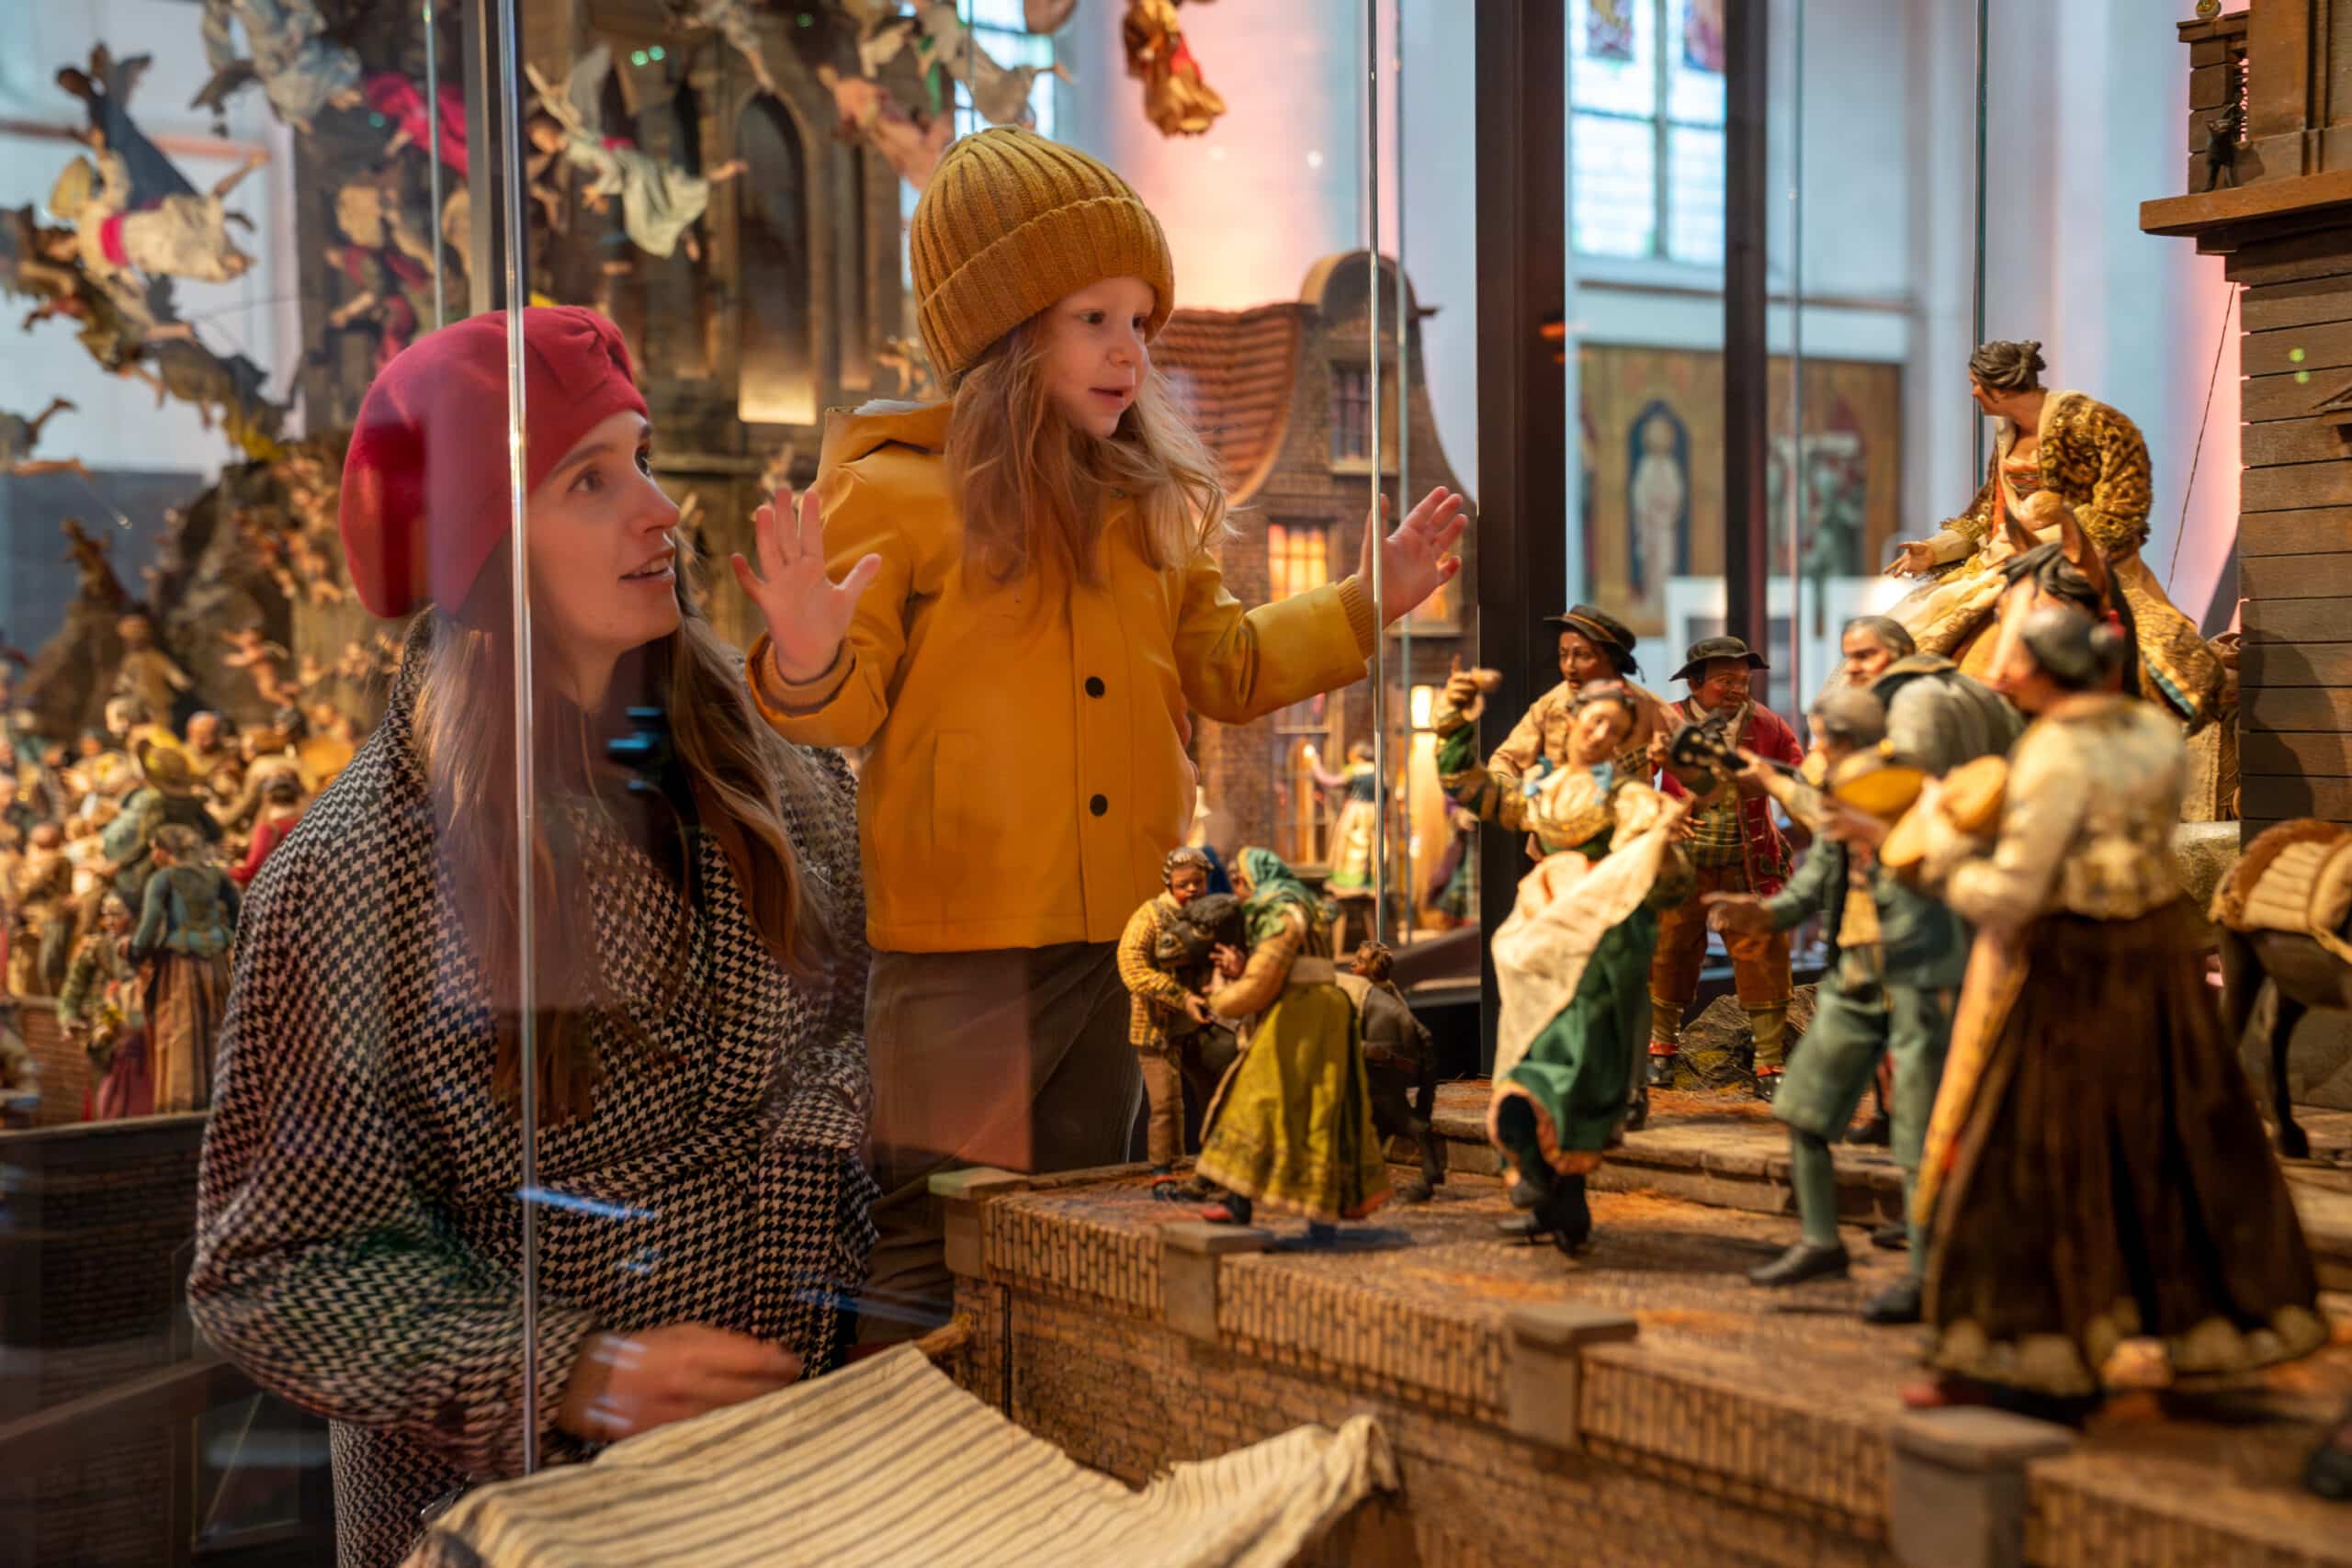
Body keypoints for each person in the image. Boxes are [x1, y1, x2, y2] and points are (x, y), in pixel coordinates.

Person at [734, 128, 1464, 1341]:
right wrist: (807, 647)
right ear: (1004, 330)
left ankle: (1051, 1455)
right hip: (960, 950)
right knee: (937, 1228)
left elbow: (1226, 662)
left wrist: (1364, 601)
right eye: (1094, 319)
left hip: (1122, 934)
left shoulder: (1145, 506)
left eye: (1142, 321)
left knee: (1092, 1215)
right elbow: (841, 704)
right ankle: (893, 1486)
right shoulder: (898, 494)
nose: (1130, 351)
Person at [189, 309, 876, 1568]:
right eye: (590, 479)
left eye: (646, 457)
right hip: (520, 1522)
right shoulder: (359, 874)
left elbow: (852, 1047)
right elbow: (274, 1265)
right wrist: (574, 1370)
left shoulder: (770, 777)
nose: (661, 510)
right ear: (487, 547)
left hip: (778, 1485)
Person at [1905, 607, 2324, 1411]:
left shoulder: (2053, 753)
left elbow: (2016, 894)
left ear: (2044, 671)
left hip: (2079, 967)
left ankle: (2034, 1346)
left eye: (2015, 658)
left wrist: (1942, 855)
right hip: (2160, 956)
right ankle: (2204, 1327)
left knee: (2038, 1146)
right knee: (2179, 1133)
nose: (1998, 671)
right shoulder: (2151, 735)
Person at [1711, 702, 1966, 1323]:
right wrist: (1762, 912)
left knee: (1917, 1129)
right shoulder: (1839, 801)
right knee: (1806, 1106)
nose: (1819, 750)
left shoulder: (1926, 798)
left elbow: (1951, 883)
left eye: (1828, 738)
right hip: (1854, 971)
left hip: (1917, 976)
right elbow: (1814, 882)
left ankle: (1927, 1270)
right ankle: (1821, 1239)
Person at [1434, 671, 1692, 1250]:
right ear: (1571, 721)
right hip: (1541, 943)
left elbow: (1669, 884)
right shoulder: (1541, 794)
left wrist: (1663, 847)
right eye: (1594, 720)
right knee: (1525, 1058)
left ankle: (1559, 1196)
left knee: (1570, 1071)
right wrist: (1454, 720)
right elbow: (1471, 787)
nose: (1600, 734)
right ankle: (1553, 1198)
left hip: (1598, 952)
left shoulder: (1627, 799)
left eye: (1616, 730)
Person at [1882, 340, 2222, 729]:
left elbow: (2123, 508)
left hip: (2084, 561)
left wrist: (2053, 534)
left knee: (2172, 656)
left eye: (1977, 383)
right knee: (1916, 627)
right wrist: (1934, 551)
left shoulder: (2096, 423)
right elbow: (1986, 513)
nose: (1974, 392)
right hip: (2009, 557)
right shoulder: (2007, 435)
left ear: (2004, 387)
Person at [1193, 849, 1390, 1240]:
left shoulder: (1279, 911)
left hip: (1301, 1018)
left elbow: (1264, 980)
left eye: (1238, 881)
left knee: (1255, 1100)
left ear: (1252, 880)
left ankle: (1257, 1204)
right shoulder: (1300, 904)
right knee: (1324, 1107)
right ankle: (1292, 1209)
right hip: (1319, 1012)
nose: (1237, 891)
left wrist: (1218, 998)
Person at [1647, 637, 1803, 1097]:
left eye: (1742, 680)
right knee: (1670, 948)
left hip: (1749, 863)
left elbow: (1796, 770)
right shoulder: (1667, 721)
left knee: (1763, 952)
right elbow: (1633, 777)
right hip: (1683, 864)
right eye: (1725, 680)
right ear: (1696, 683)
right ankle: (1662, 1048)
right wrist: (1658, 811)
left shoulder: (1767, 724)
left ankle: (1769, 1062)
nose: (1737, 689)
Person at [1116, 847, 1236, 1184]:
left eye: (1198, 882)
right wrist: (1182, 998)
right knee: (1166, 1105)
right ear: (1169, 882)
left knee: (1216, 1094)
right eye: (1184, 884)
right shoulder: (1149, 917)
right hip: (1158, 1027)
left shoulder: (1206, 916)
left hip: (1200, 1025)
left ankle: (1213, 1165)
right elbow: (1133, 968)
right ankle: (1163, 1170)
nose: (1193, 890)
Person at [1487, 604, 1670, 802]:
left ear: (1611, 660)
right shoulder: (1552, 702)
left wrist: (1678, 804)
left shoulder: (1647, 705)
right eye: (1563, 655)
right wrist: (1520, 799)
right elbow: (1506, 760)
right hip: (1558, 824)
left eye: (1583, 656)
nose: (1569, 667)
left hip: (1626, 824)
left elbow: (1695, 764)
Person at [131, 823, 237, 1112]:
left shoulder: (164, 878)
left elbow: (150, 921)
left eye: (154, 849)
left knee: (182, 1027)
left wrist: (137, 951)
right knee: (218, 1023)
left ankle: (184, 1100)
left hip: (181, 964)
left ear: (164, 851)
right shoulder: (216, 875)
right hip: (216, 961)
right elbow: (240, 910)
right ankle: (223, 1096)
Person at [61, 889, 149, 1120]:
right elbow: (72, 991)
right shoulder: (94, 948)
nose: (109, 921)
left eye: (117, 914)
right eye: (105, 914)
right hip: (103, 1029)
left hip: (140, 1034)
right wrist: (69, 1018)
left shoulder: (145, 949)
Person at [228, 770, 303, 888]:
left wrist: (225, 871)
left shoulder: (268, 828)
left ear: (267, 798)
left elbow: (251, 872)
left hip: (284, 891)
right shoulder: (308, 822)